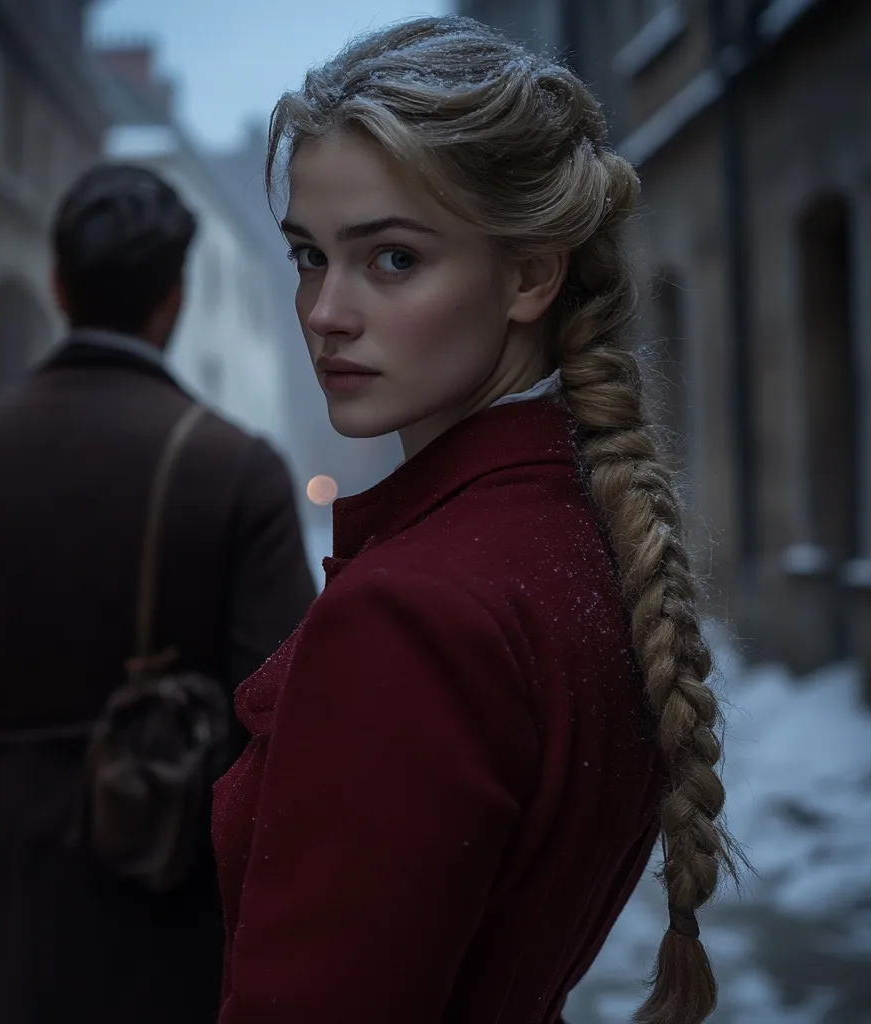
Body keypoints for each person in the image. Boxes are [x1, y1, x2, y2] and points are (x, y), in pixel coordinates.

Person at [210, 16, 741, 1024]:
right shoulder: (579, 538)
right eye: (309, 256)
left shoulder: (415, 617)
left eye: (393, 259)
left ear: (532, 273)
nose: (324, 310)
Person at [0, 162, 316, 1024]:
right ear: (175, 298)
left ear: (58, 283)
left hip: (6, 910)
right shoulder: (235, 470)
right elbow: (285, 721)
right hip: (164, 904)